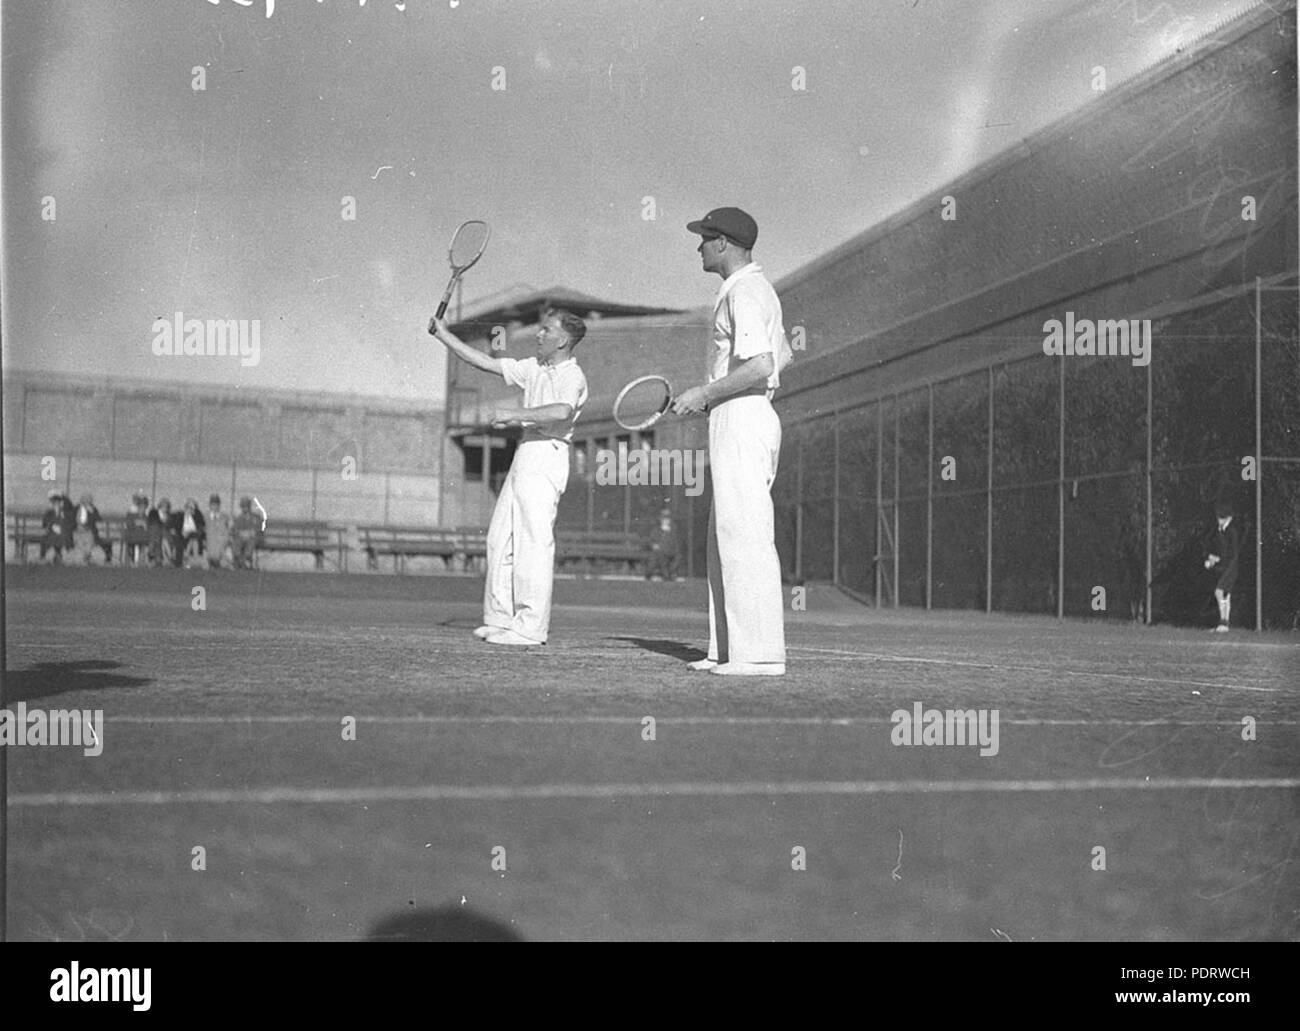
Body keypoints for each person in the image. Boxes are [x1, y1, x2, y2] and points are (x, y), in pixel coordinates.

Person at [428, 307, 589, 646]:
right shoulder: (533, 368)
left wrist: (514, 414)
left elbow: (561, 411)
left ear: (563, 340)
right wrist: (444, 335)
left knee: (533, 543)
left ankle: (531, 628)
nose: (538, 334)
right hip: (526, 452)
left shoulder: (572, 376)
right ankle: (501, 619)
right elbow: (484, 362)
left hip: (549, 453)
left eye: (546, 330)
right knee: (499, 539)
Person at [675, 207, 791, 676]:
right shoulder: (751, 290)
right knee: (724, 537)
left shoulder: (745, 291)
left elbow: (763, 365)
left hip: (743, 418)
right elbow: (781, 355)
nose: (698, 246)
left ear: (721, 243)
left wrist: (704, 393)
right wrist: (713, 399)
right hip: (736, 415)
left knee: (745, 535)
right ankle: (726, 650)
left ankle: (759, 655)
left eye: (703, 238)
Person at [1204, 498, 1243, 632]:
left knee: (1219, 592)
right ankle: (1224, 624)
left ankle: (1223, 622)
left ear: (1227, 517)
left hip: (1230, 567)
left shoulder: (1231, 532)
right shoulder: (1222, 531)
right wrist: (1214, 559)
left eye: (1220, 517)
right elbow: (1223, 552)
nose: (1218, 521)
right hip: (1227, 567)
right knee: (1225, 595)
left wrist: (1217, 562)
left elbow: (1231, 554)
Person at [72, 493, 108, 565]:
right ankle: (85, 558)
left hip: (90, 532)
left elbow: (98, 519)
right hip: (78, 532)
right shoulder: (76, 508)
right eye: (85, 500)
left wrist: (92, 512)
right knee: (80, 544)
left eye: (89, 500)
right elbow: (71, 520)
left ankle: (87, 557)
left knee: (89, 543)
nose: (87, 502)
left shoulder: (92, 509)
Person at [646, 505, 678, 581]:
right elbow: (651, 540)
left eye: (667, 519)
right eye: (664, 519)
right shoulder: (656, 530)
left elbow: (674, 544)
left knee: (671, 558)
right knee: (656, 557)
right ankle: (651, 573)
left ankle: (668, 574)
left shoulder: (672, 531)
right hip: (658, 552)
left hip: (669, 552)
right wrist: (654, 545)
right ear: (660, 519)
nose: (665, 521)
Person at [231, 495, 262, 570]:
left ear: (249, 507)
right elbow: (234, 529)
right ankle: (240, 562)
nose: (245, 508)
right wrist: (240, 533)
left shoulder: (255, 517)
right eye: (243, 506)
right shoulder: (239, 518)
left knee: (250, 544)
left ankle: (246, 562)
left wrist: (250, 533)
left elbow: (258, 529)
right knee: (236, 544)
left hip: (252, 538)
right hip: (241, 537)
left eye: (247, 506)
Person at [124, 491, 151, 566]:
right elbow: (129, 525)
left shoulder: (147, 517)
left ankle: (141, 561)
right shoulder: (131, 515)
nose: (142, 509)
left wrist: (144, 525)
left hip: (144, 537)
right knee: (132, 542)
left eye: (144, 507)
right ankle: (132, 561)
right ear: (138, 507)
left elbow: (148, 527)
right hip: (133, 535)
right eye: (141, 507)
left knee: (144, 543)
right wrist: (137, 523)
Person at [41, 490, 68, 563]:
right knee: (47, 539)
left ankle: (58, 555)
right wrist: (51, 526)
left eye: (58, 502)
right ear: (52, 503)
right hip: (51, 532)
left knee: (60, 538)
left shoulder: (63, 511)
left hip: (61, 532)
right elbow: (44, 523)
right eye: (54, 502)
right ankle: (44, 556)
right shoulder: (49, 512)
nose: (56, 503)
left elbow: (66, 522)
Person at [205, 494, 231, 569]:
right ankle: (213, 560)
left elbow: (228, 531)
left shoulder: (225, 517)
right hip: (209, 541)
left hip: (221, 542)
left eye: (216, 504)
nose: (215, 507)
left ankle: (218, 561)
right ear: (210, 505)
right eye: (213, 504)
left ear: (219, 505)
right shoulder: (205, 517)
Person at [180, 498, 206, 569]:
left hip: (193, 537)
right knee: (192, 540)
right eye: (188, 507)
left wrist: (189, 532)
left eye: (192, 508)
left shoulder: (197, 517)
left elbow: (199, 529)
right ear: (185, 508)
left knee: (193, 540)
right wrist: (183, 532)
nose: (190, 509)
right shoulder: (181, 516)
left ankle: (191, 559)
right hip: (183, 537)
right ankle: (189, 560)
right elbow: (179, 529)